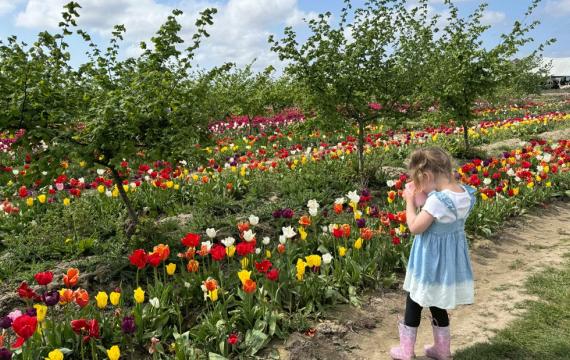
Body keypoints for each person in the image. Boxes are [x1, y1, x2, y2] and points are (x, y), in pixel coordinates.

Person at [390, 146, 477, 360]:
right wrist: (426, 195)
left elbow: (415, 227)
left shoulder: (437, 201)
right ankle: (442, 350)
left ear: (427, 175)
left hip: (429, 261)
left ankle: (406, 350)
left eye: (419, 181)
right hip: (448, 263)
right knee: (438, 302)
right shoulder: (466, 193)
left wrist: (410, 202)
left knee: (414, 299)